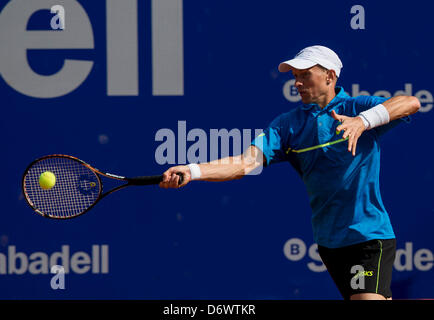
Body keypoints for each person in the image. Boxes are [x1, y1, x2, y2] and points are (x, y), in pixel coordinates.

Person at [159, 45, 421, 300]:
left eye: (305, 75)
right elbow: (243, 164)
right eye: (295, 76)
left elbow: (410, 102)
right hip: (329, 243)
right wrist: (193, 171)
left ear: (330, 76)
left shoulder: (356, 108)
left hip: (368, 235)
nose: (297, 83)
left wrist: (363, 122)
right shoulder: (287, 125)